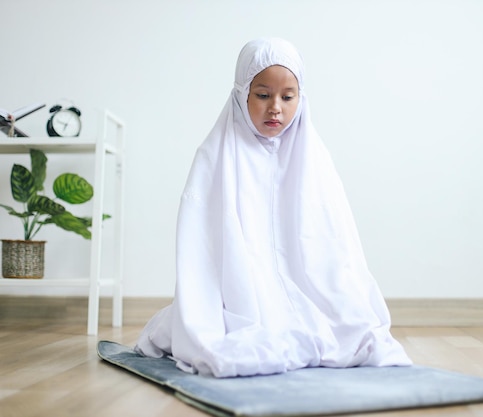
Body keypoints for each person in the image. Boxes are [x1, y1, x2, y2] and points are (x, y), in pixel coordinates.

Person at [135, 37, 412, 378]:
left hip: (301, 283)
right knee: (234, 334)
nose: (275, 107)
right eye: (263, 95)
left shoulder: (314, 158)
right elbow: (201, 244)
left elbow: (334, 239)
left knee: (347, 328)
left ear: (301, 98)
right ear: (242, 94)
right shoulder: (216, 155)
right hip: (245, 286)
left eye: (287, 96)